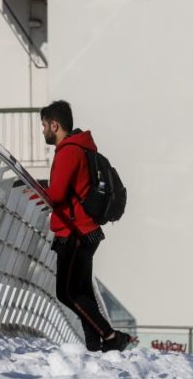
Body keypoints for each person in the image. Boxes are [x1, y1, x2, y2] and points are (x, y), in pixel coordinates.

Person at [40, 100, 135, 352]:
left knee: (67, 293)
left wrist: (40, 190)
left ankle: (111, 336)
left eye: (43, 126)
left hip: (74, 233)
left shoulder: (68, 152)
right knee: (83, 291)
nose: (43, 131)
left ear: (54, 124)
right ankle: (94, 345)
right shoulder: (81, 147)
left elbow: (58, 195)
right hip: (86, 230)